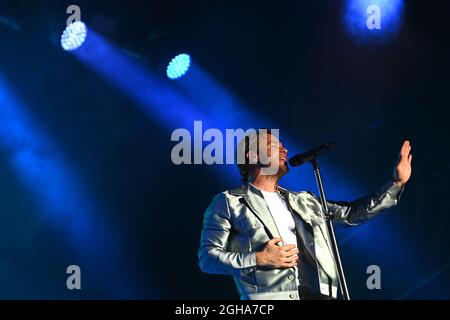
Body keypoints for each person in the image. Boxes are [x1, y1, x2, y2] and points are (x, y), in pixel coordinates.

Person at [198, 130, 412, 300]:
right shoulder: (229, 202)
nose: (284, 150)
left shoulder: (304, 200)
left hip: (323, 294)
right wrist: (259, 258)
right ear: (252, 155)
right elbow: (208, 258)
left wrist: (395, 184)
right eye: (274, 146)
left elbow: (351, 214)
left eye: (283, 146)